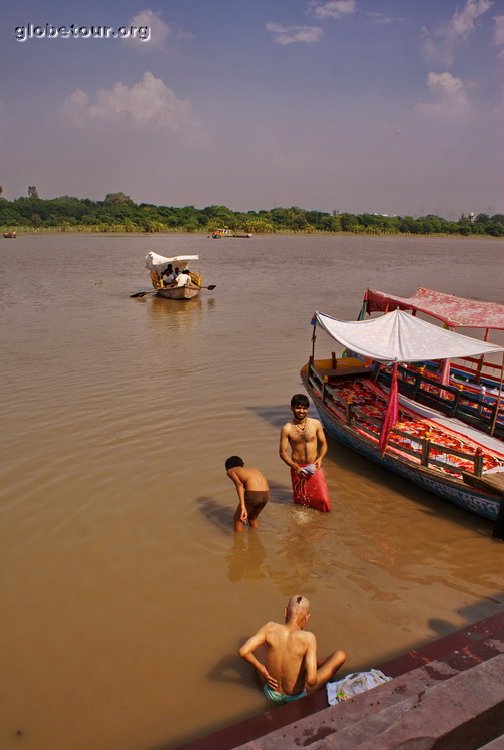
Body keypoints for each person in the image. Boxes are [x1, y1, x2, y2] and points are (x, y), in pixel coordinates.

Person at [239, 595, 346, 705]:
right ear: (307, 617)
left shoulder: (270, 627)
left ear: (285, 612)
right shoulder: (308, 638)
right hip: (296, 697)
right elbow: (312, 680)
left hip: (271, 693)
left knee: (258, 645)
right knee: (340, 655)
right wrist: (303, 673)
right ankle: (308, 665)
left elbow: (244, 651)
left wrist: (262, 669)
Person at [279, 394, 331, 512]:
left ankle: (321, 525)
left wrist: (321, 458)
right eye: (298, 408)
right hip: (298, 468)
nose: (301, 411)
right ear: (292, 408)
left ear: (308, 409)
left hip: (315, 466)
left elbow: (324, 444)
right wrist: (295, 467)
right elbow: (282, 452)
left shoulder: (316, 424)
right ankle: (302, 527)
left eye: (304, 408)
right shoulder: (287, 428)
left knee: (324, 502)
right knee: (300, 502)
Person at [225, 456, 270, 532]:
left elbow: (239, 484)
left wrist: (243, 507)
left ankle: (239, 543)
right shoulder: (254, 470)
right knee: (252, 518)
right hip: (266, 494)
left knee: (238, 519)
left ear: (228, 467)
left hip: (254, 494)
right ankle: (255, 537)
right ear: (242, 464)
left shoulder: (230, 471)